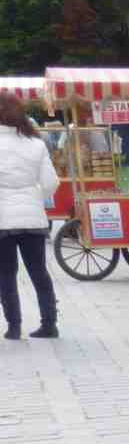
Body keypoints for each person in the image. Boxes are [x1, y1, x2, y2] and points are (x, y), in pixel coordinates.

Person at [0, 97, 61, 341]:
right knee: (39, 272)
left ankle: (14, 326)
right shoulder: (36, 143)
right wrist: (35, 195)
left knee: (6, 274)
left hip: (3, 218)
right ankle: (49, 323)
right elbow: (50, 183)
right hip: (33, 217)